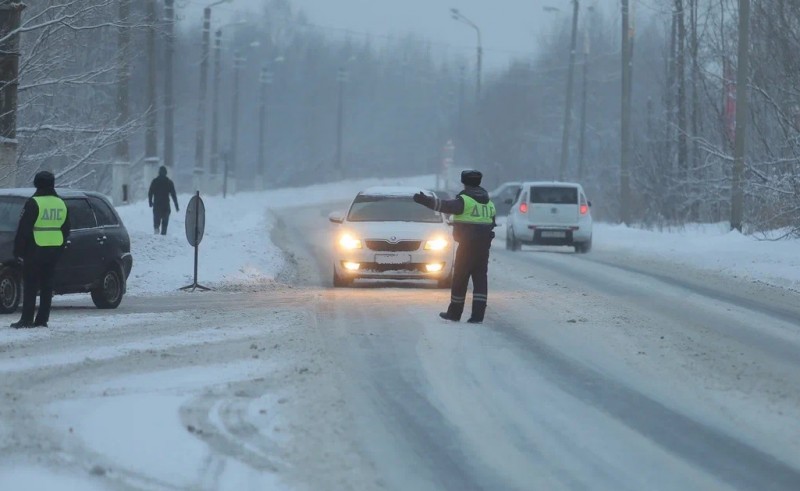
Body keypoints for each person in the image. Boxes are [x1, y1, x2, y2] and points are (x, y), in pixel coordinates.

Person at [413, 169, 496, 323]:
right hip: (483, 247)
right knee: (480, 279)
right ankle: (478, 316)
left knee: (460, 278)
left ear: (464, 183)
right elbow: (492, 222)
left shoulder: (465, 200)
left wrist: (425, 200)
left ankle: (455, 313)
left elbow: (445, 206)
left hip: (467, 246)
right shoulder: (488, 203)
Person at [11, 171, 71, 328]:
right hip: (54, 249)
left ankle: (26, 319)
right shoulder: (60, 203)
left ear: (36, 184)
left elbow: (24, 229)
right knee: (47, 285)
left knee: (31, 284)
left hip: (35, 249)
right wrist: (60, 247)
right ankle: (42, 319)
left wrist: (18, 251)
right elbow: (66, 228)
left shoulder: (34, 203)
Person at [148, 166, 179, 235]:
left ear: (159, 172)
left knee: (156, 221)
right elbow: (173, 195)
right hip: (165, 206)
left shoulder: (155, 181)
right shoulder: (169, 182)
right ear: (166, 173)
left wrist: (150, 202)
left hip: (157, 205)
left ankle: (156, 231)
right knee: (165, 224)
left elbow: (150, 192)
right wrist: (176, 205)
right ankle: (163, 234)